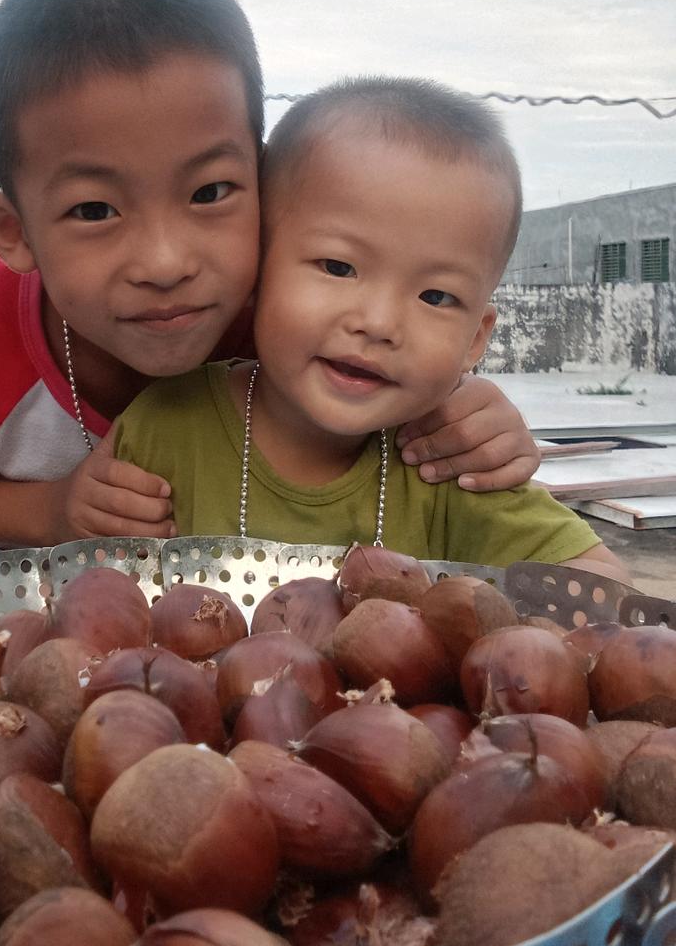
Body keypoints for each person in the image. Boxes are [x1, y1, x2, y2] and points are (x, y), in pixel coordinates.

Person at [0, 0, 542, 570]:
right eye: (96, 210)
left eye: (210, 192)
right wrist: (52, 511)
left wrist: (468, 416)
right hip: (9, 608)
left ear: (267, 180)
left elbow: (396, 375)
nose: (165, 262)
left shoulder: (283, 318)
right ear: (13, 230)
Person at [112, 76, 629, 580]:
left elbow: (603, 589)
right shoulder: (165, 431)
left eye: (435, 296)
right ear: (257, 266)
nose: (379, 324)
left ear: (475, 338)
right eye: (339, 267)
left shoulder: (449, 462)